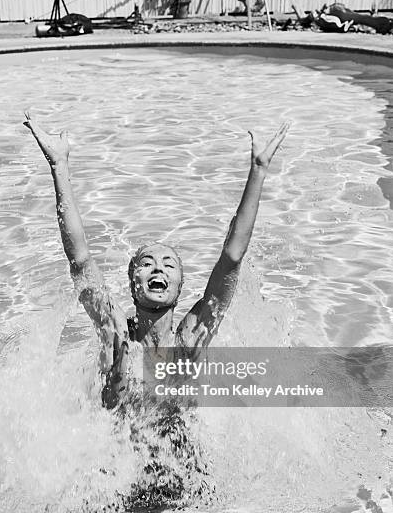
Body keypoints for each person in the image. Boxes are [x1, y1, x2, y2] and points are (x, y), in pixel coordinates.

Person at [24, 112, 288, 410]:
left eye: (169, 264)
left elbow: (232, 258)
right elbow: (80, 261)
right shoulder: (118, 336)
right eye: (147, 262)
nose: (158, 267)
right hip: (118, 457)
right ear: (132, 282)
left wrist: (258, 170)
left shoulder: (189, 343)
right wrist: (59, 167)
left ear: (179, 286)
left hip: (185, 458)